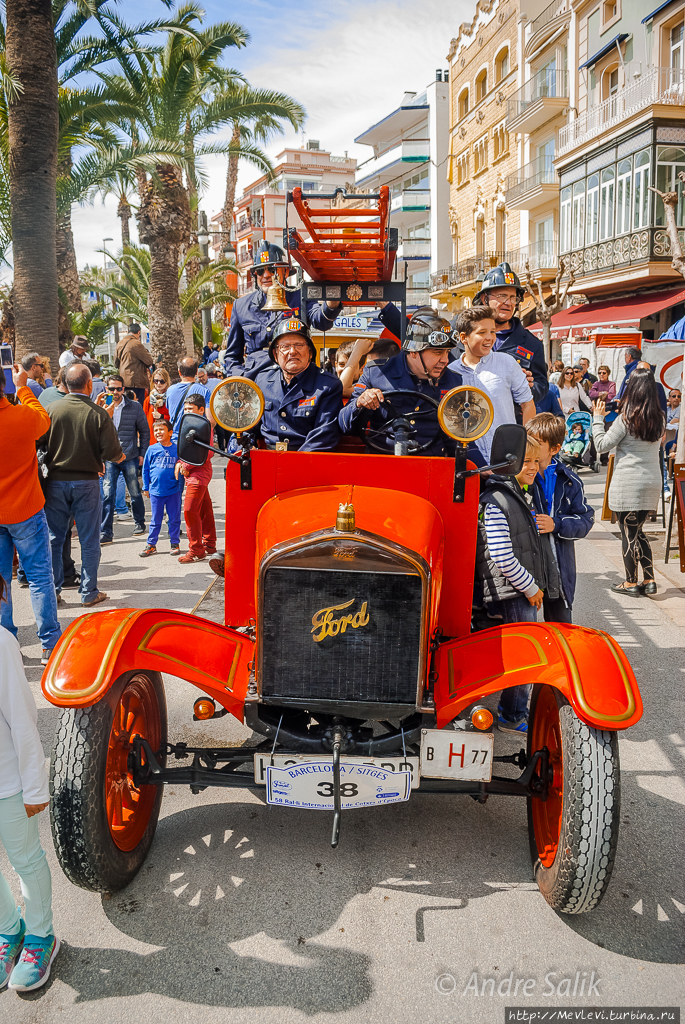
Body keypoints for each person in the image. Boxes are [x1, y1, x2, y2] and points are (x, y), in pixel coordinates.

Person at [0, 596, 59, 992]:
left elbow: (22, 718)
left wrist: (35, 783)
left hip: (6, 784)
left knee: (25, 859)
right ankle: (9, 933)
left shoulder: (1, 644)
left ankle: (40, 937)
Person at [475, 434, 547, 734]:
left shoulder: (516, 493)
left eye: (535, 461)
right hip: (516, 591)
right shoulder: (496, 499)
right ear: (508, 463)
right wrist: (530, 587)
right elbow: (502, 556)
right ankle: (513, 715)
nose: (533, 467)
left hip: (518, 588)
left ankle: (514, 711)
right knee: (523, 656)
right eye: (525, 462)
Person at [339, 309, 481, 458]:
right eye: (438, 352)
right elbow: (344, 425)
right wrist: (359, 405)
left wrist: (483, 470)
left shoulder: (453, 381)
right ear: (413, 352)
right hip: (383, 466)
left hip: (432, 467)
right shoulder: (376, 373)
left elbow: (460, 436)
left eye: (447, 352)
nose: (445, 360)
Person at [42, 363, 124, 607]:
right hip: (87, 482)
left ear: (66, 384)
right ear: (89, 385)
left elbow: (38, 444)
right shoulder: (98, 413)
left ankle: (54, 592)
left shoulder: (51, 410)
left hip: (55, 482)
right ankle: (89, 592)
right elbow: (114, 453)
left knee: (55, 538)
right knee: (89, 539)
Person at [0, 365, 61, 664]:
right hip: (26, 511)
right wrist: (23, 387)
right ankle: (50, 643)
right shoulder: (23, 416)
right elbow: (44, 420)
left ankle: (7, 645)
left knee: (0, 580)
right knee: (39, 577)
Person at [593, 367, 664, 596]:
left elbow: (602, 445)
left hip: (629, 483)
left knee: (628, 534)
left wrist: (597, 420)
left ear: (632, 389)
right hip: (652, 481)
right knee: (638, 531)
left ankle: (631, 582)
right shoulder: (660, 418)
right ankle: (650, 580)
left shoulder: (626, 418)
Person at [224, 240, 343, 377]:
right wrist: (241, 380)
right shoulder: (241, 306)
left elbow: (322, 321)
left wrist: (332, 301)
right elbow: (232, 356)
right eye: (260, 270)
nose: (266, 275)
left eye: (272, 269)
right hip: (257, 378)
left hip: (296, 376)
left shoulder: (300, 297)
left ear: (286, 272)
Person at [527, 412, 594, 623]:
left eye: (536, 443)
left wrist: (556, 524)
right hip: (527, 565)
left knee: (559, 626)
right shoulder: (521, 476)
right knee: (524, 627)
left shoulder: (570, 480)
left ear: (555, 449)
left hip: (558, 566)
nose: (530, 447)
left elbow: (585, 519)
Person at [454, 306, 535, 461]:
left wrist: (525, 444)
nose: (490, 338)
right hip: (470, 460)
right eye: (482, 332)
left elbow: (527, 404)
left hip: (508, 456)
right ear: (463, 337)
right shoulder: (451, 372)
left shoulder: (506, 363)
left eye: (492, 331)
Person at [250, 317, 343, 451]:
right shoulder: (262, 380)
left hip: (307, 462)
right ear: (275, 354)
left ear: (310, 352)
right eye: (285, 346)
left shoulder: (328, 385)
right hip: (266, 459)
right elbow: (248, 423)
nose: (292, 351)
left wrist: (293, 465)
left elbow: (323, 436)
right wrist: (247, 446)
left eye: (299, 345)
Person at [468, 262, 549, 407]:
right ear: (484, 299)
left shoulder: (532, 344)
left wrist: (528, 388)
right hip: (470, 422)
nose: (509, 303)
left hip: (510, 424)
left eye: (513, 297)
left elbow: (541, 385)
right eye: (501, 296)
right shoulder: (464, 337)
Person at [97, 374, 149, 542]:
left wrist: (142, 454)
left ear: (123, 389)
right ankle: (106, 532)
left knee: (134, 492)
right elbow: (95, 432)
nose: (116, 391)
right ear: (107, 389)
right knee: (107, 494)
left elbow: (145, 431)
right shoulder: (103, 409)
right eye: (112, 388)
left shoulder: (134, 406)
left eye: (119, 388)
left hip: (130, 456)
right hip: (110, 458)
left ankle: (140, 523)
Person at [175, 394, 216, 564]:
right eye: (185, 409)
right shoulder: (190, 424)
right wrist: (180, 462)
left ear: (201, 409)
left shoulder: (204, 427)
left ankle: (196, 550)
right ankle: (209, 544)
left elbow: (208, 453)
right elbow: (184, 448)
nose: (187, 412)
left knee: (190, 510)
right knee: (205, 509)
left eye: (190, 409)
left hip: (198, 475)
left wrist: (186, 466)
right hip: (193, 474)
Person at [140, 419, 182, 557]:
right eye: (156, 430)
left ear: (170, 432)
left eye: (161, 429)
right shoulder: (152, 449)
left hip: (173, 491)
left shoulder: (177, 449)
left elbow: (182, 467)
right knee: (155, 520)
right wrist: (146, 487)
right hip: (155, 492)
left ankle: (174, 543)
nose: (158, 432)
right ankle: (151, 545)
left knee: (174, 518)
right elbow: (145, 469)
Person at [166, 358, 212, 441]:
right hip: (196, 440)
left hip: (175, 439)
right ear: (196, 371)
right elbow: (211, 421)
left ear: (179, 371)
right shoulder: (205, 391)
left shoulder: (170, 390)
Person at [115, 323, 154, 405]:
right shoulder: (136, 343)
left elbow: (116, 363)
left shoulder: (120, 343)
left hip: (123, 382)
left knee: (125, 406)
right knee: (138, 406)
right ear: (138, 332)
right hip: (136, 382)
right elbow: (149, 361)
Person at [143, 367, 171, 434]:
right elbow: (143, 420)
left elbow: (175, 418)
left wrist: (161, 416)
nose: (158, 384)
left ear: (167, 382)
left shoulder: (171, 398)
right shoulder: (148, 399)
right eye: (156, 381)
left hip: (166, 435)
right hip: (151, 436)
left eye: (162, 381)